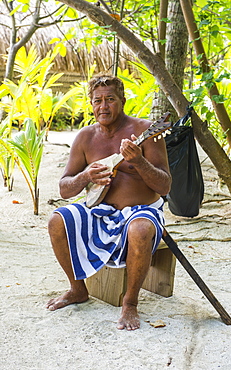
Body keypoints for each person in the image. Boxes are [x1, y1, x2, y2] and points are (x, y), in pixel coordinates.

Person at [46, 73, 172, 331]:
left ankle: (130, 303)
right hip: (99, 210)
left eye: (110, 99)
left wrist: (139, 161)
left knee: (139, 229)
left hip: (141, 211)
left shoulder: (146, 132)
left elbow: (164, 186)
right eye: (97, 101)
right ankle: (77, 289)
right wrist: (85, 176)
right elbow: (64, 189)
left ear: (123, 101)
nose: (103, 106)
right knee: (56, 220)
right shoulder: (85, 137)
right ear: (91, 104)